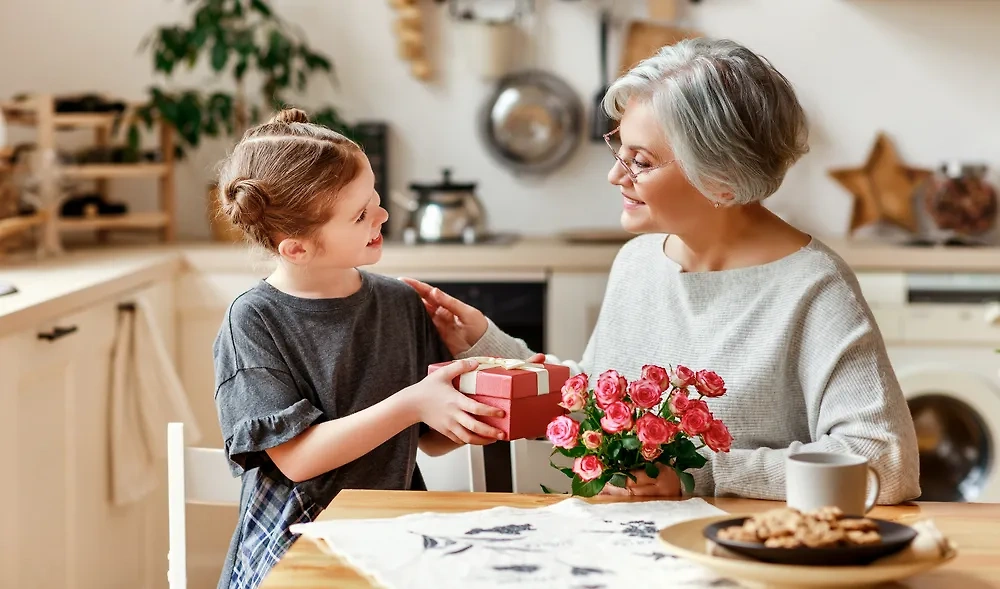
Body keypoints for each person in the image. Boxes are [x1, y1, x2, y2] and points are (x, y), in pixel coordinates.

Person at [403, 37, 921, 503]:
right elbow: (605, 401)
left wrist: (702, 473)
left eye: (641, 161)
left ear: (722, 178)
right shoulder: (639, 262)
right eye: (618, 149)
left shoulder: (813, 287)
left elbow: (885, 462)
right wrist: (487, 345)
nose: (614, 175)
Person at [211, 107, 506, 589]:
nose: (384, 215)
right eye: (360, 214)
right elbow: (298, 459)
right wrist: (416, 400)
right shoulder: (254, 320)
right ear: (297, 248)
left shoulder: (401, 300)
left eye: (375, 199)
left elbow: (426, 437)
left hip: (394, 533)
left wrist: (474, 412)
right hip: (296, 545)